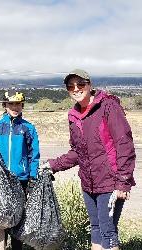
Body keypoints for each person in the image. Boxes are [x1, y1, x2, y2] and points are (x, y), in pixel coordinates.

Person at [41, 69, 136, 250]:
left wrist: (123, 182)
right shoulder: (74, 115)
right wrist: (52, 165)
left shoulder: (107, 106)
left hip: (110, 182)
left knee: (108, 231)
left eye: (80, 84)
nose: (76, 89)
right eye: (71, 87)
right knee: (95, 229)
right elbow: (77, 151)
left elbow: (124, 144)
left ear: (90, 85)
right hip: (88, 184)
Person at [0, 90, 40, 250]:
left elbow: (34, 154)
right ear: (4, 106)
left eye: (18, 104)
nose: (15, 107)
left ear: (22, 105)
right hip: (1, 180)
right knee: (2, 214)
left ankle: (17, 247)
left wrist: (33, 176)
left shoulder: (28, 128)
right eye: (11, 104)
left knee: (18, 217)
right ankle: (0, 246)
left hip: (21, 179)